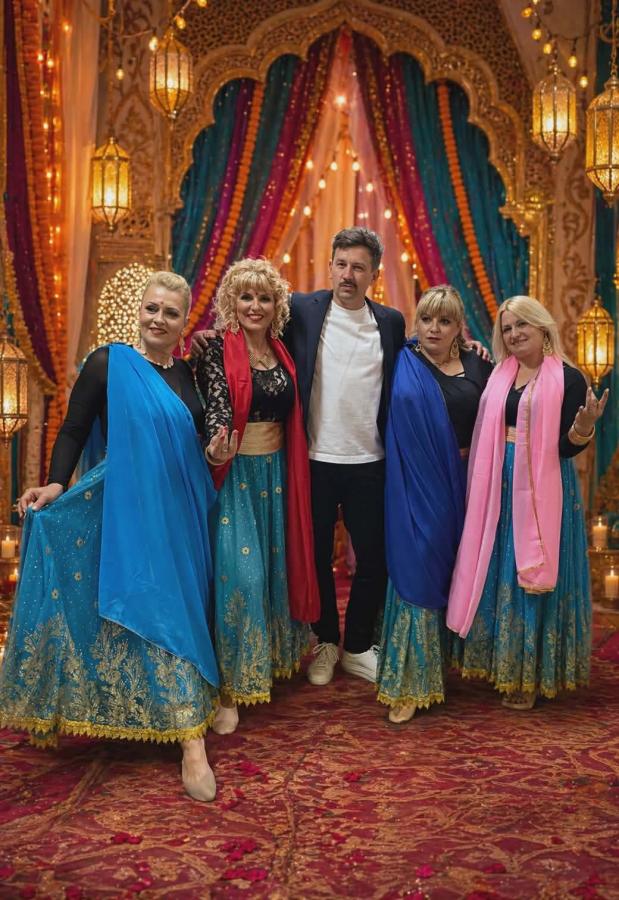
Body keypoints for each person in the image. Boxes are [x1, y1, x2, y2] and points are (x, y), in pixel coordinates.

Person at [0, 272, 221, 803]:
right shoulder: (109, 362)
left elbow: (192, 440)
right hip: (128, 508)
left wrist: (214, 452)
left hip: (182, 512)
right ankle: (191, 743)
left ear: (184, 322)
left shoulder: (188, 374)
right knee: (153, 607)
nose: (158, 319)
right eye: (152, 308)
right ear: (139, 310)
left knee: (182, 609)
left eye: (171, 313)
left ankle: (184, 722)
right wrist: (56, 484)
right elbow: (74, 428)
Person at [447, 296, 609, 710]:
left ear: (542, 327)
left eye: (523, 325)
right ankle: (500, 665)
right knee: (497, 566)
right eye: (507, 328)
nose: (515, 334)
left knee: (529, 571)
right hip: (497, 484)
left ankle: (530, 674)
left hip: (542, 487)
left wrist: (583, 427)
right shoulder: (498, 373)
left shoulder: (568, 379)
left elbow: (565, 449)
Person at [195, 258, 319, 735]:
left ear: (276, 305)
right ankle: (227, 688)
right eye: (245, 297)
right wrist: (217, 443)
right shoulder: (215, 348)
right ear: (232, 301)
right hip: (235, 474)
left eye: (264, 298)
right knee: (241, 580)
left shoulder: (282, 350)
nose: (254, 306)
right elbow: (216, 401)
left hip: (278, 475)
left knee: (272, 574)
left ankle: (264, 666)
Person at [287, 228, 406, 686]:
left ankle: (356, 646)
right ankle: (325, 643)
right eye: (341, 264)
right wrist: (208, 338)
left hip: (370, 461)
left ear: (373, 274)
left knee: (374, 559)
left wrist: (468, 350)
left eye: (358, 267)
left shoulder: (390, 322)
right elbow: (252, 327)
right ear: (330, 265)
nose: (347, 275)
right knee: (315, 556)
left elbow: (419, 358)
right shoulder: (302, 309)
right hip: (313, 460)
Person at [377, 286, 493, 723]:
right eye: (426, 319)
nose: (434, 329)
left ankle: (446, 666)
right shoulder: (401, 360)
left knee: (457, 567)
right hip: (413, 481)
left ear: (458, 327)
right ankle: (409, 682)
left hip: (467, 483)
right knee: (417, 565)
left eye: (444, 321)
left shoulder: (478, 365)